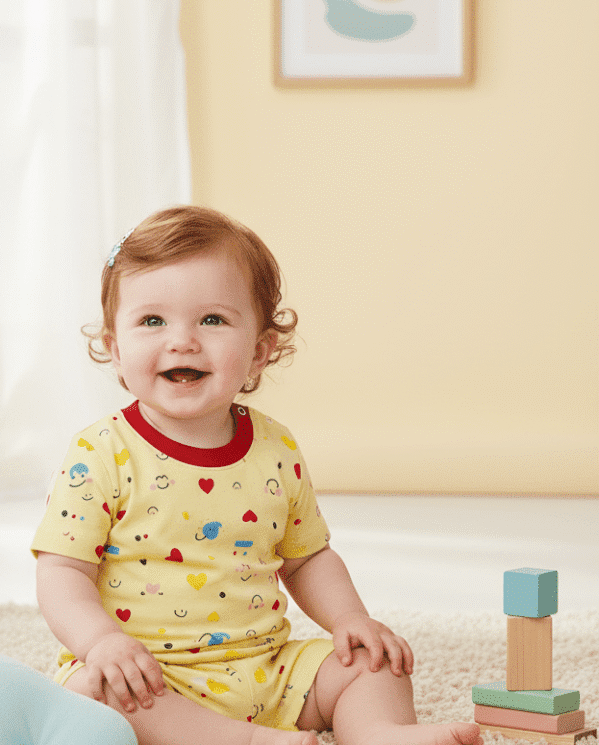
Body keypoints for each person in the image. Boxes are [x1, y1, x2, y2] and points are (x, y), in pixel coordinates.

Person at [32, 206, 483, 745]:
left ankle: (378, 733)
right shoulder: (101, 452)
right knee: (100, 695)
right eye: (152, 321)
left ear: (259, 352)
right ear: (114, 348)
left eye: (212, 320)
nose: (182, 341)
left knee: (373, 662)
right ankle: (243, 740)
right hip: (148, 674)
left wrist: (350, 620)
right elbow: (62, 571)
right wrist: (101, 642)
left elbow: (307, 558)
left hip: (265, 669)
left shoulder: (275, 448)